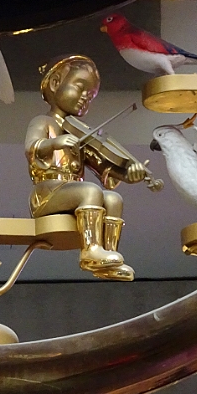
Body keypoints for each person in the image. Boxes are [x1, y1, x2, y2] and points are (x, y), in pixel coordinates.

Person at [25, 55, 148, 281]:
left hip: (72, 194)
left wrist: (127, 173)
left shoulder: (79, 132)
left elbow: (103, 168)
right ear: (55, 83)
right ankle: (90, 250)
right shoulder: (43, 122)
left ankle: (109, 256)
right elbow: (32, 148)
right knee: (90, 191)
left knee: (113, 199)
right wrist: (56, 142)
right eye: (80, 88)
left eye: (90, 96)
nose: (85, 98)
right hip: (46, 193)